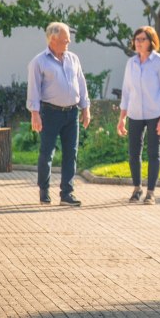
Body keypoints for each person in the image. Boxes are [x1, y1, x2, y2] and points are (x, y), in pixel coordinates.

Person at [27, 22, 91, 206]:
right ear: (53, 40)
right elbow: (33, 90)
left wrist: (85, 108)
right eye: (65, 40)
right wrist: (35, 114)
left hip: (72, 113)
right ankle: (44, 190)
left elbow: (81, 84)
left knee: (71, 153)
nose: (68, 43)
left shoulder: (73, 59)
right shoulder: (39, 62)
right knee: (47, 153)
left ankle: (67, 194)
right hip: (50, 113)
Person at [116, 26, 160, 205]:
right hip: (134, 113)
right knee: (134, 153)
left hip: (155, 113)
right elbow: (126, 91)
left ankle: (150, 192)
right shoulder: (131, 63)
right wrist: (122, 118)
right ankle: (137, 189)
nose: (139, 43)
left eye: (143, 39)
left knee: (153, 153)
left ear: (151, 41)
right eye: (137, 39)